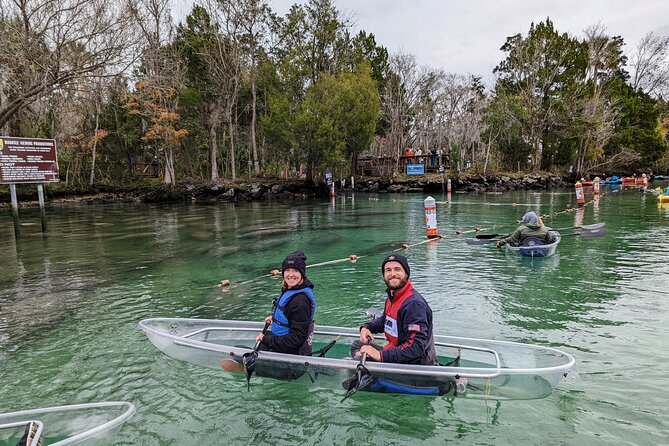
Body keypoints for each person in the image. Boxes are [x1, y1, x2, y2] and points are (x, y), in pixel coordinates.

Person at [351, 254, 437, 365]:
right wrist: (367, 327)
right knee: (357, 346)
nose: (393, 274)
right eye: (388, 270)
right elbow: (385, 320)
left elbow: (416, 347)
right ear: (384, 275)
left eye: (397, 269)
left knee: (354, 362)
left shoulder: (413, 304)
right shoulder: (393, 297)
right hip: (396, 352)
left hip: (413, 364)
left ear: (406, 274)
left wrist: (379, 355)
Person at [256, 251, 316, 355]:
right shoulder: (290, 288)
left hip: (289, 354)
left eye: (295, 271)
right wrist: (274, 318)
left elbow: (297, 339)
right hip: (280, 344)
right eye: (287, 270)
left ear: (302, 274)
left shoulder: (300, 301)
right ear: (283, 273)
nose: (291, 275)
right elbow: (287, 312)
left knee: (242, 352)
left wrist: (266, 340)